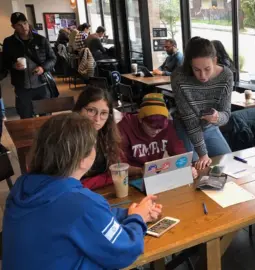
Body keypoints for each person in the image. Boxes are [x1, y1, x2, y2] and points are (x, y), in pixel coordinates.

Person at [2, 113, 162, 269]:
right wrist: (137, 219)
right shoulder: (81, 203)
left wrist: (127, 214)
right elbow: (126, 251)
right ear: (82, 160)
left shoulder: (22, 185)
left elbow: (83, 218)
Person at [172, 36, 233, 170]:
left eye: (207, 69)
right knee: (194, 168)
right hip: (185, 126)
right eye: (196, 70)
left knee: (227, 163)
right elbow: (190, 120)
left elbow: (226, 114)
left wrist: (217, 118)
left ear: (215, 60)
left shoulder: (226, 75)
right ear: (190, 65)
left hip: (209, 126)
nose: (203, 75)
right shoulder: (179, 77)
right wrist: (203, 154)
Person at [118, 93, 198, 179]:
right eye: (151, 127)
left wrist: (187, 166)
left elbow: (177, 150)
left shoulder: (168, 126)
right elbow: (118, 166)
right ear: (141, 119)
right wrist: (141, 171)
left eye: (160, 128)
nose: (156, 131)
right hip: (130, 176)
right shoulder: (125, 126)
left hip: (154, 173)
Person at [2, 12, 56, 119]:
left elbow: (53, 58)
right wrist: (13, 65)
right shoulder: (9, 42)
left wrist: (43, 68)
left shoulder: (41, 39)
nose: (23, 27)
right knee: (26, 117)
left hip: (42, 85)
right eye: (19, 25)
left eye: (25, 23)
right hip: (22, 87)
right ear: (13, 26)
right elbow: (4, 62)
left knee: (45, 117)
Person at [72, 86, 123, 190]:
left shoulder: (106, 135)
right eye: (91, 111)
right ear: (79, 110)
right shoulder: (68, 138)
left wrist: (140, 170)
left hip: (101, 190)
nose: (97, 119)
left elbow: (113, 168)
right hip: (75, 194)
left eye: (103, 113)